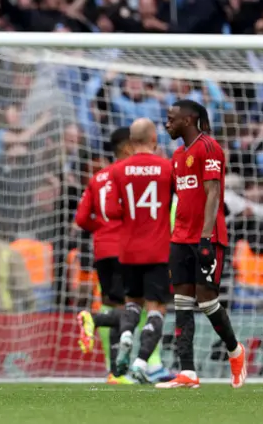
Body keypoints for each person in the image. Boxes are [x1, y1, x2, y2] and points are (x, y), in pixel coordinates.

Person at [157, 100, 246, 389]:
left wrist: (206, 238)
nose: (167, 123)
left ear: (189, 119)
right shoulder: (178, 154)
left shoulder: (209, 148)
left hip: (206, 238)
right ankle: (188, 373)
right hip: (180, 238)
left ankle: (235, 350)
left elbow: (213, 194)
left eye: (171, 118)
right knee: (182, 303)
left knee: (207, 301)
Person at [75, 127, 172, 384]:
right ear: (129, 146)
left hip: (102, 251)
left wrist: (101, 230)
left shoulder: (99, 178)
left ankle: (116, 370)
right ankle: (148, 364)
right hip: (128, 248)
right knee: (140, 307)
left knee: (116, 304)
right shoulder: (136, 173)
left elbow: (82, 219)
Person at [103, 118, 173, 383]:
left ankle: (125, 336)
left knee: (132, 303)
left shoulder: (118, 171)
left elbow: (110, 211)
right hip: (158, 250)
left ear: (131, 142)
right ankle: (142, 362)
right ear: (154, 139)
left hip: (128, 250)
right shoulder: (167, 168)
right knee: (157, 309)